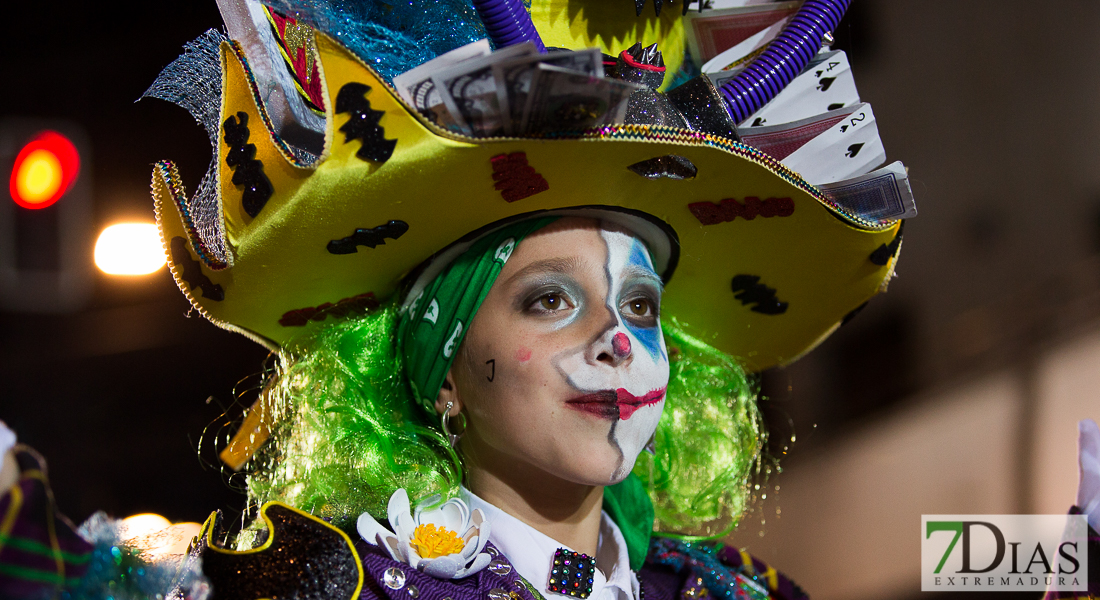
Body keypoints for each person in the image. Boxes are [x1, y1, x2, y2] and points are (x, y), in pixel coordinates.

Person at [1, 1, 1091, 599]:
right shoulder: (341, 586)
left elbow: (958, 567)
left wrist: (1070, 553)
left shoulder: (728, 592)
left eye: (642, 308)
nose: (618, 344)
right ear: (439, 379)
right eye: (547, 303)